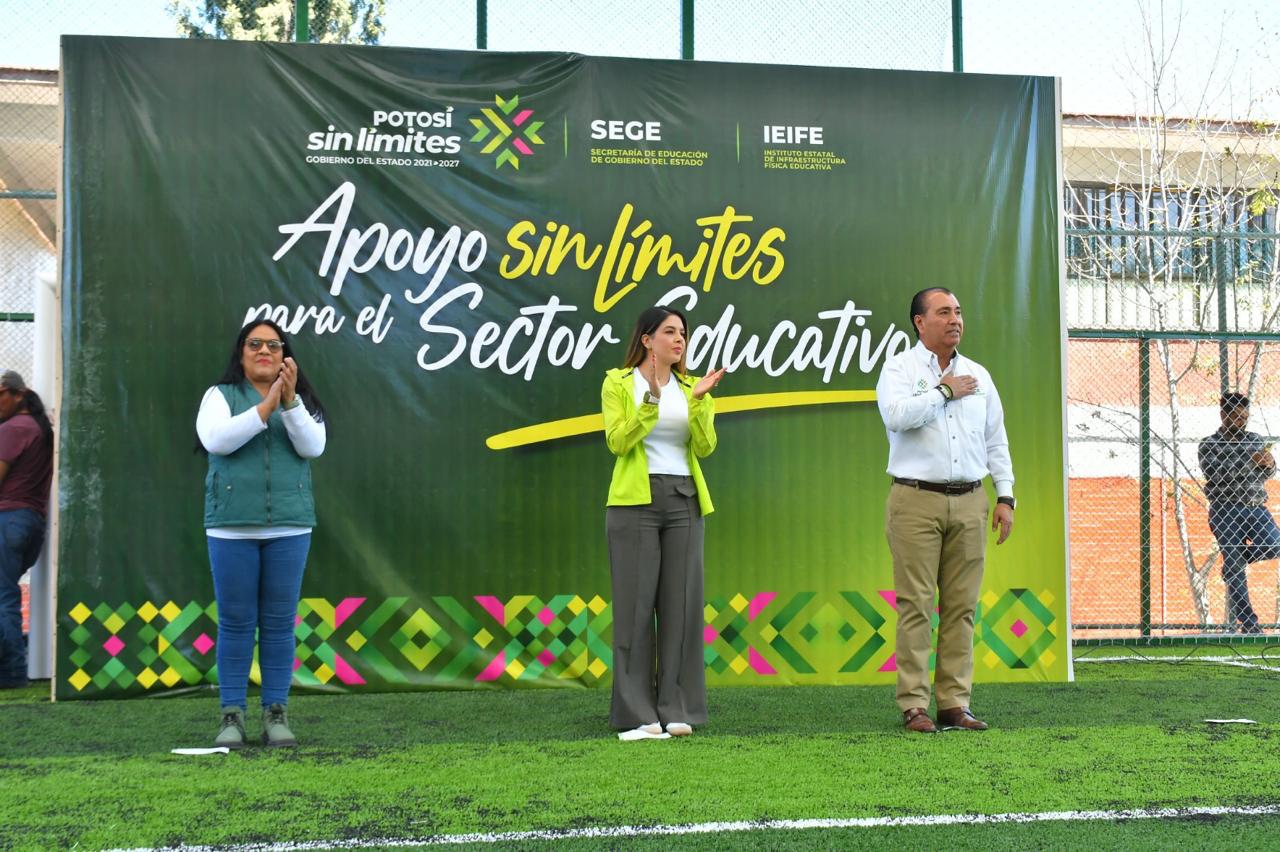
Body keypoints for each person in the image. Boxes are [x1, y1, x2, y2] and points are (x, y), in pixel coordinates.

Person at [876, 288, 1015, 733]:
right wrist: (943, 392)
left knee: (961, 607)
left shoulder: (979, 375)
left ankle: (955, 703)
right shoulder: (899, 368)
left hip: (971, 499)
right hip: (915, 499)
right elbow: (896, 416)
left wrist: (1005, 496)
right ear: (919, 322)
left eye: (958, 312)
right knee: (916, 605)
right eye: (943, 312)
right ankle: (914, 705)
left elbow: (996, 439)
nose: (955, 319)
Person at [196, 320, 326, 748]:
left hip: (290, 526)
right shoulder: (219, 396)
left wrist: (288, 404)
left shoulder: (301, 400)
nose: (264, 351)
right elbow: (217, 440)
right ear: (241, 353)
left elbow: (313, 447)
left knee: (278, 624)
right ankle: (232, 716)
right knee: (235, 623)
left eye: (274, 345)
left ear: (286, 355)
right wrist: (267, 406)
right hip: (231, 528)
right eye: (255, 344)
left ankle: (276, 713)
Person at [602, 306, 725, 740]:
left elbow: (706, 447)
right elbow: (618, 442)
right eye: (670, 332)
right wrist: (651, 400)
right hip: (633, 503)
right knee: (635, 609)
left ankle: (677, 709)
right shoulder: (618, 382)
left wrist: (701, 402)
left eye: (683, 333)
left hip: (684, 500)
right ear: (647, 339)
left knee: (682, 607)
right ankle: (638, 715)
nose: (679, 340)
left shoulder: (693, 387)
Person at [1198, 392, 1276, 634]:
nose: (1242, 422)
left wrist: (1269, 464)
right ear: (1224, 415)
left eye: (1245, 417)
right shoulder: (1209, 444)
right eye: (1237, 417)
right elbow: (1216, 474)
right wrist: (1249, 462)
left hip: (1255, 506)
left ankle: (1237, 560)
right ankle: (1250, 625)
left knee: (1274, 544)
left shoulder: (1255, 439)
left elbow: (1267, 474)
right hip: (1225, 510)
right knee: (1235, 572)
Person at [0, 371, 53, 690]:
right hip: (30, 522)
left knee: (3, 596)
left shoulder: (13, 429)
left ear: (18, 394)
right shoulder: (38, 427)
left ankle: (12, 673)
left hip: (8, 519)